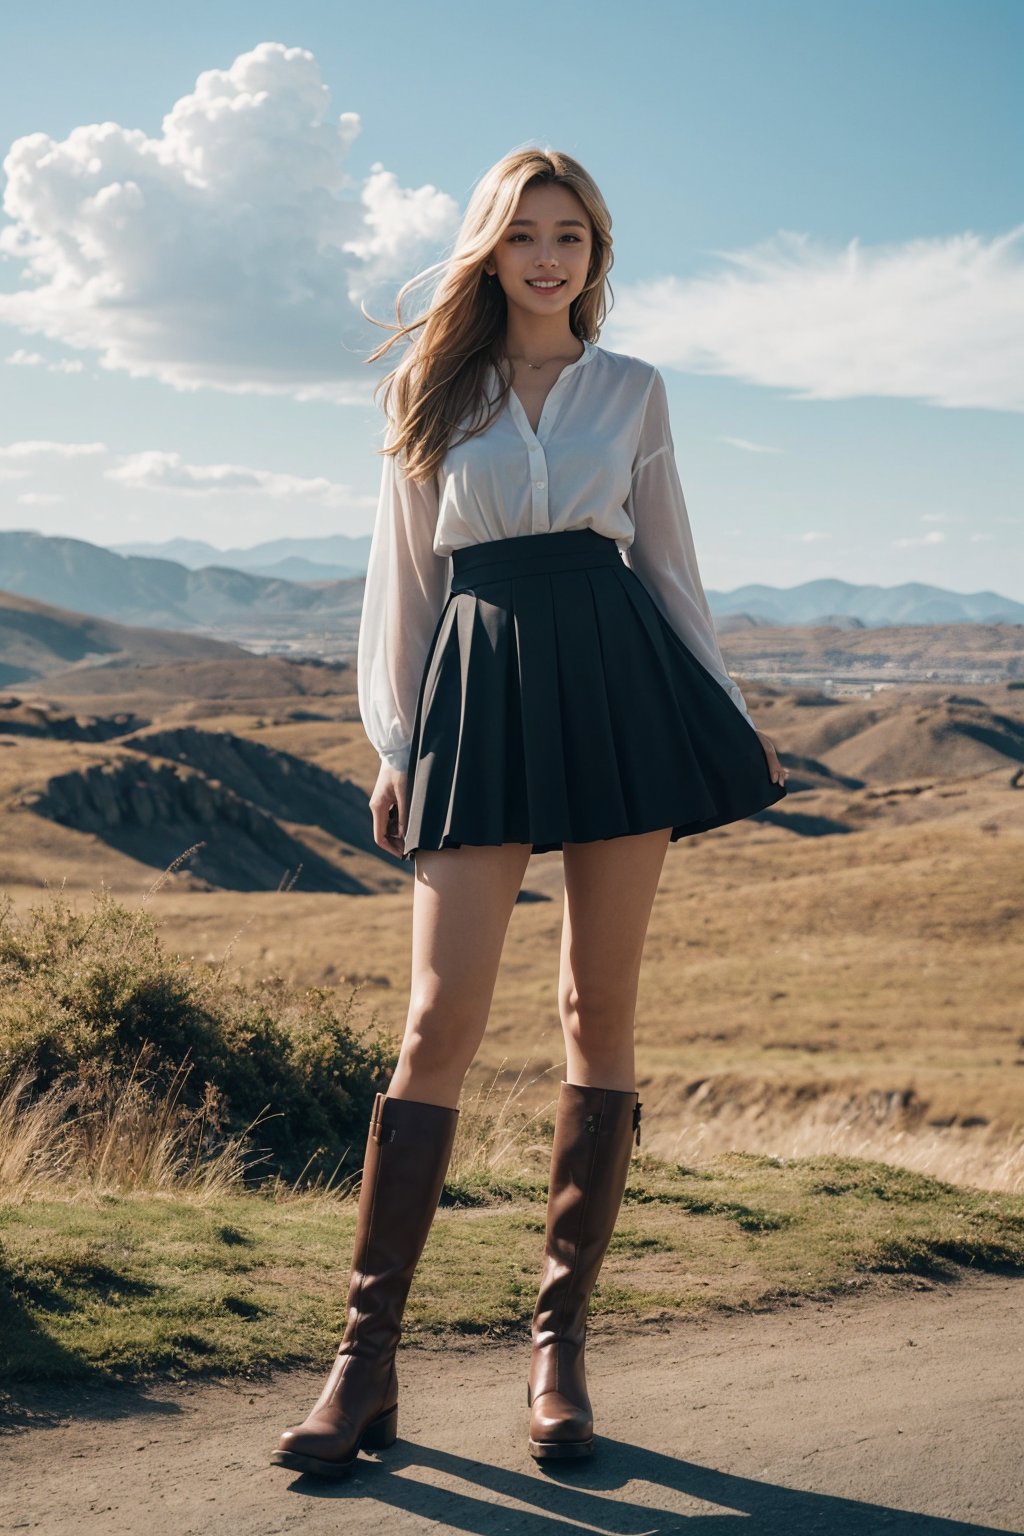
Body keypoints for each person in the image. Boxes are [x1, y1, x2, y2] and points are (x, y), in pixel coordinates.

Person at [271, 146, 788, 1480]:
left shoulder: (634, 390)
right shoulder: (431, 389)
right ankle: (363, 1363)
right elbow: (403, 582)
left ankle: (558, 1353)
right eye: (523, 234)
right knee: (437, 1021)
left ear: (595, 253)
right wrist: (397, 744)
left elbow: (670, 566)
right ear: (489, 251)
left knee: (593, 1013)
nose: (548, 255)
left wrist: (719, 716)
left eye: (571, 234)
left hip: (623, 686)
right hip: (479, 696)